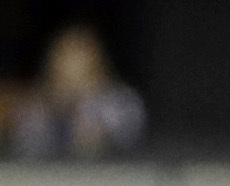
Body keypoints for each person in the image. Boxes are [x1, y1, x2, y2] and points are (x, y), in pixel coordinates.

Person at [11, 24, 145, 160]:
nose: (73, 70)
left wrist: (86, 117)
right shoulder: (34, 105)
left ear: (98, 64)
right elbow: (26, 142)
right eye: (66, 58)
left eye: (82, 61)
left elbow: (123, 138)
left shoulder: (122, 101)